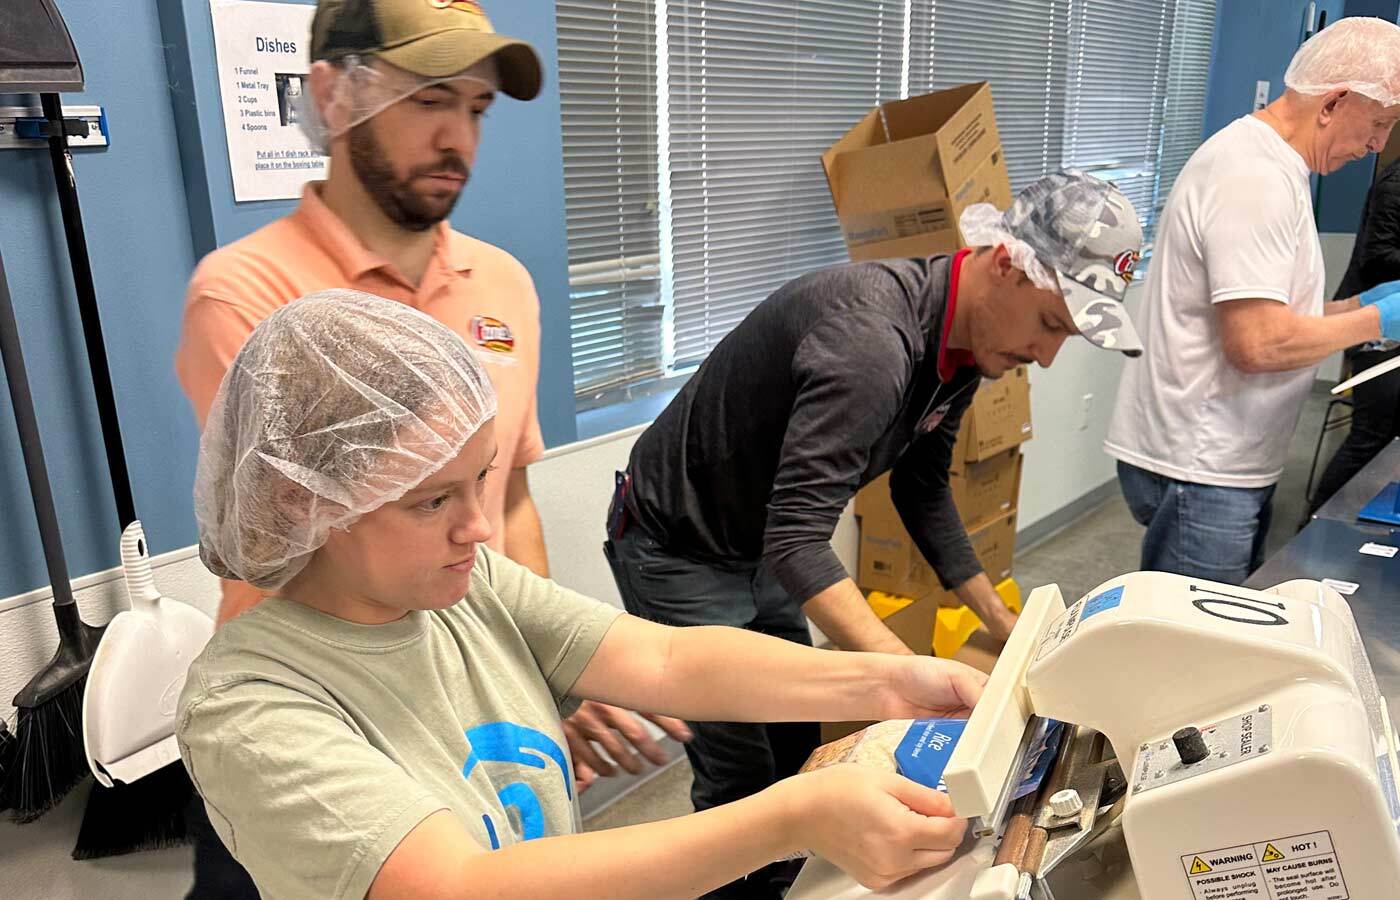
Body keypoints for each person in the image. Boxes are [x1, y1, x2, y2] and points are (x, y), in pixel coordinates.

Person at [176, 290, 987, 900]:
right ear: (308, 504)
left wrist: (891, 681)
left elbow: (665, 658)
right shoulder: (249, 707)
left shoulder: (459, 588)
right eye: (431, 501)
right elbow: (456, 887)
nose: (479, 528)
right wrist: (792, 816)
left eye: (482, 480)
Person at [174, 2, 683, 895]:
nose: (459, 140)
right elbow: (292, 549)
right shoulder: (250, 295)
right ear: (333, 95)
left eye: (477, 111)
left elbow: (509, 498)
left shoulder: (502, 286)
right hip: (327, 717)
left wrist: (542, 669)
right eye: (430, 102)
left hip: (470, 698)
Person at [605, 169, 1145, 898]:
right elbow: (797, 541)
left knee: (795, 737)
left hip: (761, 538)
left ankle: (787, 881)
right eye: (1051, 324)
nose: (1047, 356)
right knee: (738, 775)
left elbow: (921, 487)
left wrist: (1005, 621)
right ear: (1004, 263)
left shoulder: (959, 346)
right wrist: (905, 674)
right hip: (680, 548)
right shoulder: (871, 342)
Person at [1105, 16, 1400, 585]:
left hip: (1225, 459)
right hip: (1204, 467)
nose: (1377, 146)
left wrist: (1365, 305)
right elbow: (1259, 343)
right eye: (1379, 123)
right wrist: (1375, 317)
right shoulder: (1252, 175)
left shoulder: (1275, 167)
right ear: (1334, 101)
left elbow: (1284, 318)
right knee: (1194, 654)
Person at [1310, 157, 1400, 511]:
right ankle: (1317, 524)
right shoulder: (1395, 184)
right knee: (1371, 436)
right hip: (1373, 323)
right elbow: (1377, 258)